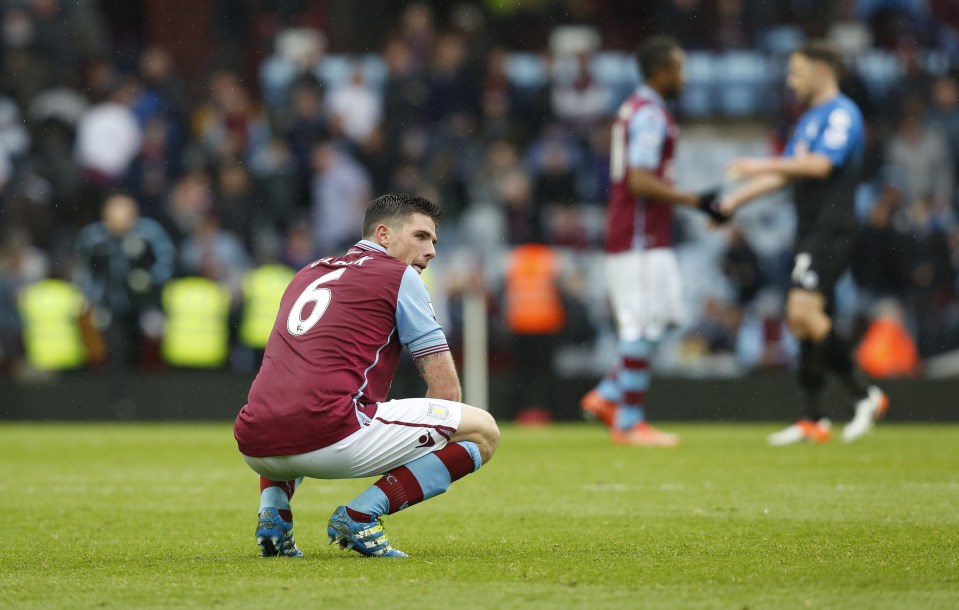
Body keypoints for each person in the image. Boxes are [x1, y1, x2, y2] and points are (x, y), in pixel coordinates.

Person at [234, 193, 500, 558]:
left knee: (294, 397)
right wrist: (416, 463)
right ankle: (362, 514)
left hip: (254, 444)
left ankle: (274, 511)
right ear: (384, 234)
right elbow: (445, 391)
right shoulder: (399, 276)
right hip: (329, 435)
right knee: (482, 432)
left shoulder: (308, 273)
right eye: (421, 236)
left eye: (434, 241)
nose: (432, 251)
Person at [719, 40, 888, 445]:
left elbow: (819, 164)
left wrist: (760, 162)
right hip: (809, 228)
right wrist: (733, 201)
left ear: (822, 71)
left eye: (797, 72)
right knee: (806, 319)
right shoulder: (809, 120)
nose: (791, 81)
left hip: (833, 226)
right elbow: (788, 172)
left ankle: (865, 393)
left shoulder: (842, 114)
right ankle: (813, 417)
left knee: (802, 310)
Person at [578, 36, 725, 447]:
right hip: (638, 237)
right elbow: (640, 180)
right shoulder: (649, 114)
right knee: (643, 326)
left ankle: (608, 394)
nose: (684, 76)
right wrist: (697, 200)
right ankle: (629, 420)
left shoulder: (641, 109)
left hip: (649, 239)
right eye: (678, 68)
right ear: (660, 72)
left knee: (669, 319)